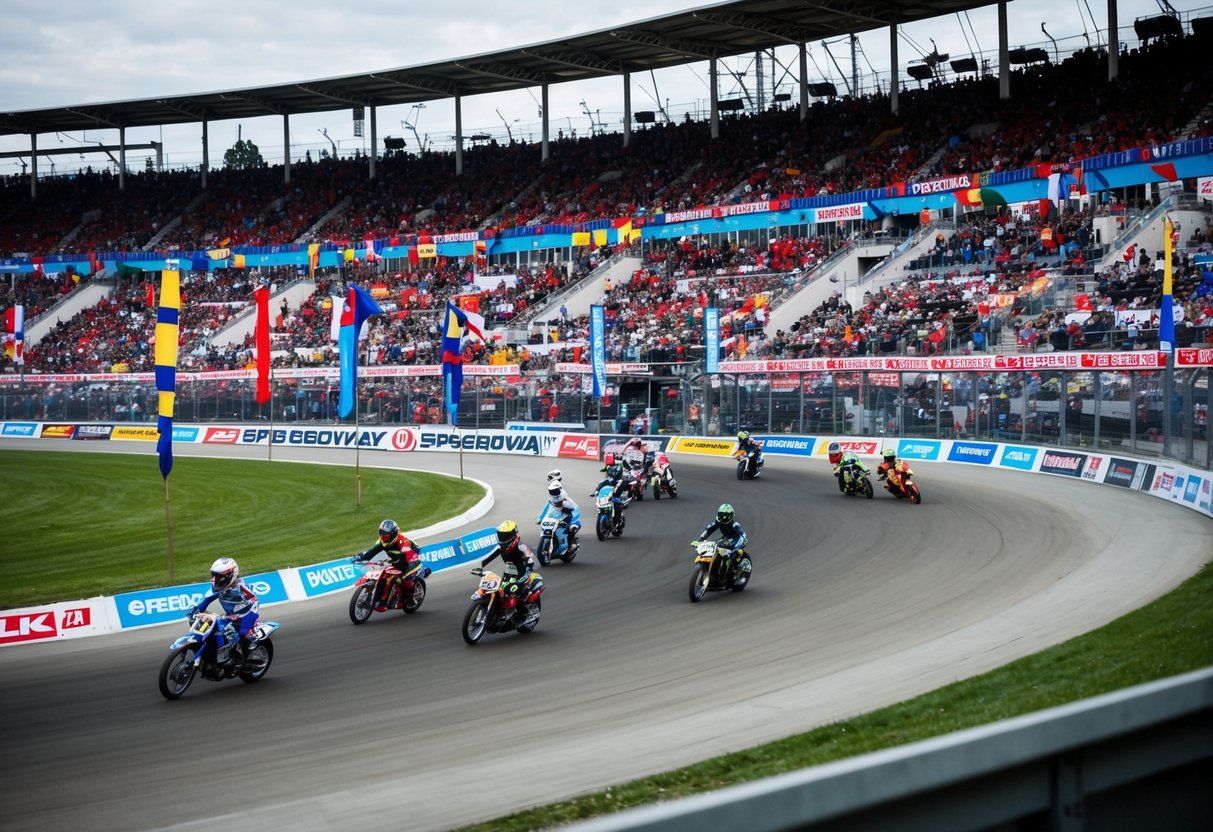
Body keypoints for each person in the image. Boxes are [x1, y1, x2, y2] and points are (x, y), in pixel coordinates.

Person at [191, 557, 260, 664]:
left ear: (231, 575)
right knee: (209, 626)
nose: (216, 579)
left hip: (245, 613)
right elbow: (206, 599)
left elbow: (254, 601)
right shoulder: (217, 585)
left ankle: (241, 656)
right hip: (230, 614)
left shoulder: (241, 588)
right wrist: (195, 610)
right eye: (215, 575)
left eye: (220, 576)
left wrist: (239, 618)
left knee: (235, 632)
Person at [479, 521, 541, 626]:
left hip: (524, 573)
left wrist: (522, 580)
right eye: (501, 536)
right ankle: (498, 610)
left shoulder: (522, 547)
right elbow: (489, 558)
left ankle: (524, 613)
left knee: (513, 590)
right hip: (509, 572)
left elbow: (534, 562)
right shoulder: (501, 547)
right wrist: (480, 567)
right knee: (497, 588)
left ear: (514, 535)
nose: (503, 539)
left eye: (506, 536)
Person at [353, 519, 423, 611]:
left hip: (411, 559)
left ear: (393, 535)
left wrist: (407, 560)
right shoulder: (382, 541)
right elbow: (373, 551)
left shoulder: (403, 542)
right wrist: (362, 557)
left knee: (403, 579)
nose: (383, 538)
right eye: (381, 534)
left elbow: (409, 555)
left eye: (385, 535)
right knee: (384, 575)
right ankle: (379, 601)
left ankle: (409, 597)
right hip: (396, 559)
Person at [693, 503, 748, 569]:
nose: (724, 518)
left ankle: (734, 568)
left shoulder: (735, 525)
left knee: (731, 555)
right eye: (721, 515)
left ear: (731, 516)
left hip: (736, 540)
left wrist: (736, 547)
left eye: (726, 516)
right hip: (726, 539)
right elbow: (708, 529)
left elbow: (743, 536)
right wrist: (700, 540)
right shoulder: (718, 522)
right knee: (715, 548)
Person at [591, 454, 631, 523]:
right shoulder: (610, 466)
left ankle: (621, 505)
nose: (617, 458)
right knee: (602, 483)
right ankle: (596, 492)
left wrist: (627, 472)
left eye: (619, 457)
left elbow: (628, 468)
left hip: (620, 480)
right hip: (612, 480)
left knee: (620, 491)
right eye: (616, 457)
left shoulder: (623, 462)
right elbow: (606, 472)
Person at [545, 479, 581, 551]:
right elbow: (549, 507)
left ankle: (571, 543)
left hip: (568, 512)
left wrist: (563, 504)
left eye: (555, 490)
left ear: (559, 489)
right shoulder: (551, 497)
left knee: (572, 527)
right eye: (551, 491)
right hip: (556, 512)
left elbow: (572, 507)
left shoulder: (563, 495)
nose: (553, 492)